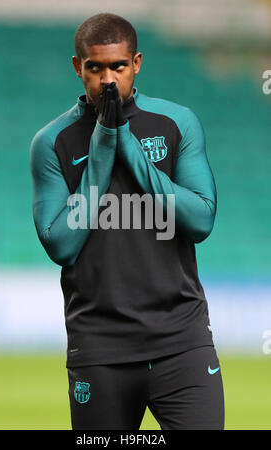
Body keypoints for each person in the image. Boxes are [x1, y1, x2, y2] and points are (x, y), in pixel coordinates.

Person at [30, 12, 224, 430]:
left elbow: (201, 220)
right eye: (95, 67)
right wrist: (103, 147)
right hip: (100, 349)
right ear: (77, 67)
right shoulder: (52, 142)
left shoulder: (176, 123)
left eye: (118, 66)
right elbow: (61, 244)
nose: (107, 80)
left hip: (182, 342)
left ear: (136, 62)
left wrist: (132, 153)